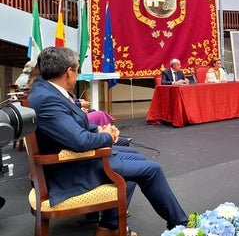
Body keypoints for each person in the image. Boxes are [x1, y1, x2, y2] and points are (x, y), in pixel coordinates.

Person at [27, 47, 188, 236]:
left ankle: (109, 226)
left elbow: (71, 126)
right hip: (70, 169)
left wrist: (100, 129)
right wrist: (108, 136)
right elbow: (79, 141)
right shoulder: (48, 99)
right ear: (68, 72)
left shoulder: (45, 89)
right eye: (77, 70)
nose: (77, 75)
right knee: (151, 169)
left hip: (74, 158)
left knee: (136, 156)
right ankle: (180, 225)